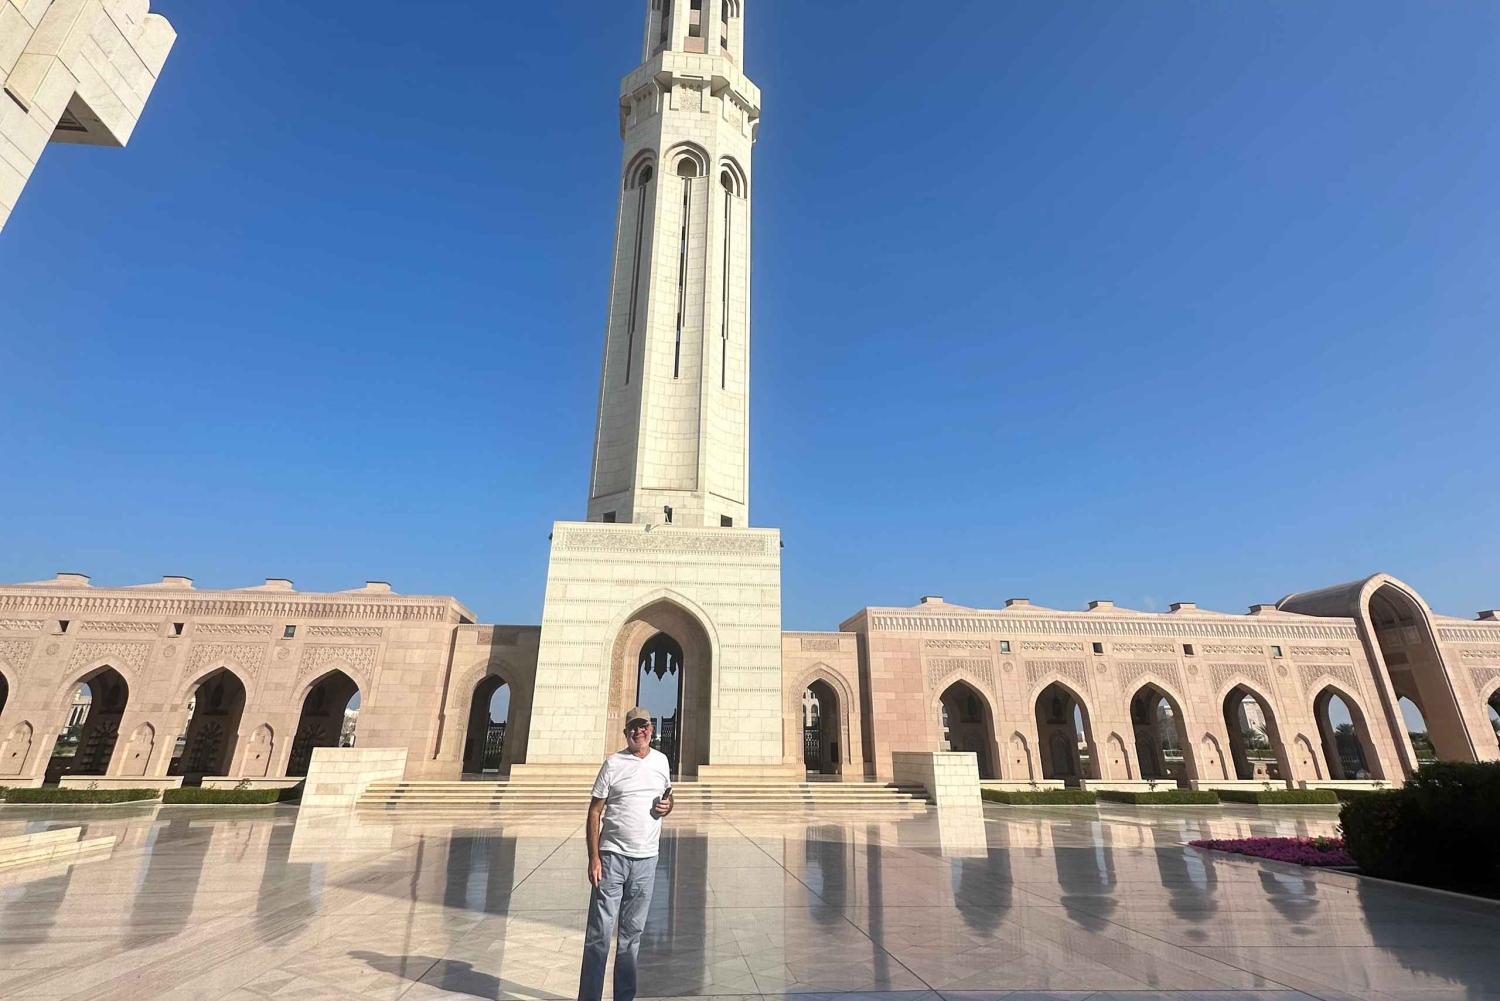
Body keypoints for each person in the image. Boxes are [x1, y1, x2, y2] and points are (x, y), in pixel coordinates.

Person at [577, 706, 674, 1001]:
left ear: (651, 730)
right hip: (612, 858)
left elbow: (669, 797)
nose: (638, 732)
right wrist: (594, 858)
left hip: (646, 860)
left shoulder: (661, 761)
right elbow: (595, 811)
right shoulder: (613, 763)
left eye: (643, 726)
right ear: (625, 732)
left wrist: (668, 806)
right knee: (599, 935)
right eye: (633, 727)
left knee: (632, 937)